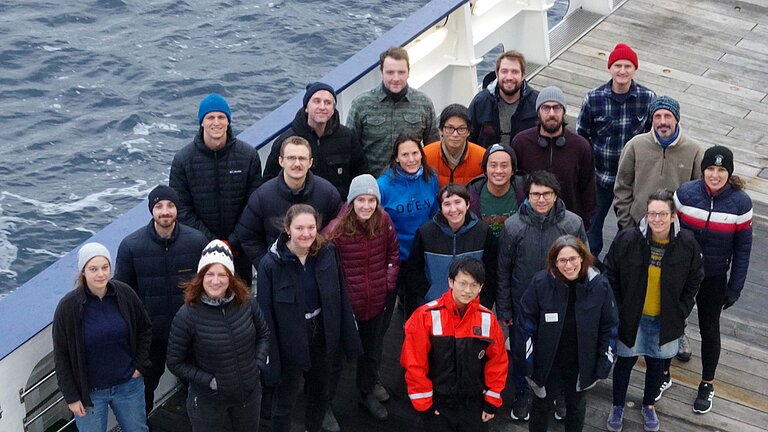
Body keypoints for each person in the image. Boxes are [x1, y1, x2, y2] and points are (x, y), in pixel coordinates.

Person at [256, 204, 363, 432]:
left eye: (311, 227)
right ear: (287, 229)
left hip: (322, 335)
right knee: (285, 399)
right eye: (299, 228)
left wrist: (348, 338)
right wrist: (270, 358)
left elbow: (341, 295)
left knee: (320, 393)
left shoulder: (328, 253)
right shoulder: (270, 265)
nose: (306, 234)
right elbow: (265, 315)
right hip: (289, 341)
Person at [604, 190, 704, 432]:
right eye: (652, 214)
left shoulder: (687, 243)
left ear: (673, 216)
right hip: (632, 318)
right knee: (625, 363)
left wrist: (682, 309)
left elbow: (695, 278)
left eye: (662, 214)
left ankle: (649, 405)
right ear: (646, 215)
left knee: (657, 365)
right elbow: (610, 272)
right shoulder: (628, 239)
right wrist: (617, 309)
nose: (656, 219)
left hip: (665, 319)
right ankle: (617, 405)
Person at [496, 170, 587, 423]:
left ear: (556, 195)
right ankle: (523, 393)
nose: (541, 199)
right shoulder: (512, 226)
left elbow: (585, 267)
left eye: (547, 194)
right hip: (522, 307)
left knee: (561, 352)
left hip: (564, 306)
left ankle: (560, 395)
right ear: (527, 196)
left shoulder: (573, 224)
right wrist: (504, 309)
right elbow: (503, 270)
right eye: (535, 194)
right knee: (521, 354)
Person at [670, 145, 753, 414]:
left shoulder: (741, 204)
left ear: (729, 173)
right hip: (682, 273)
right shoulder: (685, 194)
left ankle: (707, 383)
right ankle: (662, 372)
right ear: (703, 169)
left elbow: (743, 249)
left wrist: (735, 287)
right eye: (710, 168)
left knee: (709, 328)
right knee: (672, 321)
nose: (715, 175)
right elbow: (670, 233)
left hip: (714, 276)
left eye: (721, 170)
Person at [114, 185, 208, 415]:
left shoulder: (196, 242)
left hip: (188, 333)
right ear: (151, 210)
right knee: (144, 389)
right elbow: (122, 294)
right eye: (159, 206)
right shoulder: (131, 246)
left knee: (197, 387)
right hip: (149, 336)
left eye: (170, 205)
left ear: (177, 209)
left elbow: (208, 285)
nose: (165, 211)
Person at [166, 240, 270, 432]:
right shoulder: (187, 315)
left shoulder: (247, 302)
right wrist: (209, 381)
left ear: (230, 277)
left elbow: (263, 334)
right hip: (208, 402)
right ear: (201, 277)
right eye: (209, 274)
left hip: (248, 396)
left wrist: (257, 365)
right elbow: (175, 362)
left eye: (222, 274)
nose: (215, 281)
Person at [519, 235, 618, 432]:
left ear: (582, 257)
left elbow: (610, 327)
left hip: (581, 363)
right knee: (541, 407)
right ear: (554, 262)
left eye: (573, 258)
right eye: (562, 260)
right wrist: (528, 364)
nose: (569, 265)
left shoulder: (600, 286)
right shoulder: (540, 283)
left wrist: (603, 365)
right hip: (547, 363)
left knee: (576, 407)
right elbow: (525, 325)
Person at [53, 243, 152, 432]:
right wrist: (72, 397)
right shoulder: (67, 307)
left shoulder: (125, 294)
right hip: (90, 393)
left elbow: (144, 330)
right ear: (83, 272)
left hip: (128, 385)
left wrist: (138, 367)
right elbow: (61, 355)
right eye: (93, 269)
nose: (101, 274)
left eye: (105, 267)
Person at [324, 174, 400, 421]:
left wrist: (388, 283)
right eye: (361, 200)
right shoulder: (336, 229)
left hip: (375, 302)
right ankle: (325, 405)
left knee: (372, 353)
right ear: (351, 202)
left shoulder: (384, 220)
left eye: (371, 200)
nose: (366, 206)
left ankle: (366, 393)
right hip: (346, 308)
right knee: (334, 359)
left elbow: (393, 253)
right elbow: (321, 262)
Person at [401, 257, 508, 432]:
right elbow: (414, 363)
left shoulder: (488, 319)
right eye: (462, 283)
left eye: (474, 285)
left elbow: (498, 362)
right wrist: (424, 405)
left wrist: (492, 399)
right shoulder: (425, 316)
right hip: (438, 405)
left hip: (473, 405)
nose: (467, 290)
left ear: (481, 287)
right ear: (451, 282)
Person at [170, 93, 262, 282]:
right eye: (210, 117)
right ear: (201, 122)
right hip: (198, 249)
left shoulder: (248, 156)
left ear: (228, 121)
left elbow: (253, 205)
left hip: (238, 249)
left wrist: (232, 241)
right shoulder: (182, 160)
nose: (216, 122)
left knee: (240, 297)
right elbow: (182, 209)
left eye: (221, 117)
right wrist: (211, 243)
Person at [577, 43, 656, 257]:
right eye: (618, 65)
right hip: (600, 176)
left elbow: (652, 136)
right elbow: (582, 136)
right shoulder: (593, 98)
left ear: (635, 69)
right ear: (610, 68)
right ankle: (590, 266)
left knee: (629, 229)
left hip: (632, 179)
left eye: (627, 66)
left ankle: (620, 264)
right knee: (592, 226)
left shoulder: (648, 98)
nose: (622, 71)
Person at [235, 135, 342, 268]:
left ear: (310, 162)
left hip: (317, 271)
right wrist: (268, 267)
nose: (297, 164)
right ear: (281, 161)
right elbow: (248, 236)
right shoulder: (262, 196)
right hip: (278, 272)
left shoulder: (327, 193)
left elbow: (339, 231)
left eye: (302, 158)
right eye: (291, 158)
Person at [262, 82, 369, 199]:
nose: (322, 107)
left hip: (337, 205)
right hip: (298, 206)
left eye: (327, 103)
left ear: (333, 109)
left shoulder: (347, 138)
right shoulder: (285, 141)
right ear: (306, 108)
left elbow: (361, 174)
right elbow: (269, 181)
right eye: (316, 101)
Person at [511, 86, 596, 227]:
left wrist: (584, 225)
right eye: (546, 108)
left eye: (557, 107)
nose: (551, 113)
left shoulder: (581, 146)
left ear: (564, 112)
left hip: (568, 224)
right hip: (529, 223)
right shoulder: (521, 143)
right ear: (538, 112)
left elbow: (588, 193)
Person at [406, 183, 497, 314]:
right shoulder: (425, 232)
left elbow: (491, 271)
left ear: (467, 204)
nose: (453, 209)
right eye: (447, 204)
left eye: (458, 202)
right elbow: (413, 270)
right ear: (441, 208)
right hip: (434, 306)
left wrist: (482, 302)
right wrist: (428, 293)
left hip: (471, 308)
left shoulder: (483, 232)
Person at [346, 47, 440, 174]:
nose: (396, 78)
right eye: (390, 72)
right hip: (373, 182)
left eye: (401, 72)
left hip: (411, 180)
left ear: (408, 72)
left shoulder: (424, 103)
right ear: (381, 72)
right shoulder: (361, 104)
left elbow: (433, 147)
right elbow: (350, 148)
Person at [613, 96, 703, 229]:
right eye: (657, 116)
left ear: (676, 119)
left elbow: (699, 192)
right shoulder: (634, 145)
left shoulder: (695, 150)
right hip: (636, 225)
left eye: (668, 116)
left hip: (675, 228)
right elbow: (622, 186)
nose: (662, 122)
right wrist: (626, 224)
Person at [468, 50, 539, 147]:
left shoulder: (537, 103)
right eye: (504, 71)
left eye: (514, 72)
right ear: (497, 74)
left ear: (523, 75)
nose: (509, 77)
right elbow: (468, 139)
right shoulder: (480, 103)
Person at [467, 143, 526, 237]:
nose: (498, 171)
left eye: (504, 166)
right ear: (485, 170)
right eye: (493, 166)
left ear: (513, 170)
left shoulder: (525, 191)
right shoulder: (471, 195)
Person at [423, 103, 486, 186]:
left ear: (468, 132)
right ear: (441, 130)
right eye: (450, 128)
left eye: (461, 129)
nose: (455, 134)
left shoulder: (482, 157)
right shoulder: (425, 155)